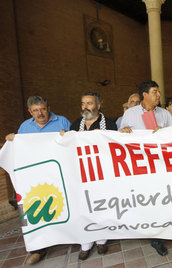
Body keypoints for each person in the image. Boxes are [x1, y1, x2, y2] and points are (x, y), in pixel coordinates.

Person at [5, 96, 70, 265]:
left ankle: (71, 236)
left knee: (64, 206)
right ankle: (36, 249)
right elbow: (20, 150)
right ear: (30, 112)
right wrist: (13, 140)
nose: (40, 113)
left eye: (42, 109)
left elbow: (73, 144)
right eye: (35, 110)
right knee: (30, 210)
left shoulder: (62, 121)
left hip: (58, 173)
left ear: (48, 107)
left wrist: (68, 136)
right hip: (34, 177)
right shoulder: (24, 127)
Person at [119, 80, 172, 256]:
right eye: (155, 92)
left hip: (160, 165)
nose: (158, 95)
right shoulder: (130, 114)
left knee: (159, 200)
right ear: (145, 94)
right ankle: (144, 229)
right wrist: (125, 131)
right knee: (144, 200)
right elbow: (120, 138)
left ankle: (158, 237)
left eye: (159, 92)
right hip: (139, 166)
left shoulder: (164, 114)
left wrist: (163, 134)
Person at [65, 92, 116, 260]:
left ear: (98, 106)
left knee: (101, 206)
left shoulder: (108, 124)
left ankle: (101, 240)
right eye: (83, 103)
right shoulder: (75, 125)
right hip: (80, 175)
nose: (85, 107)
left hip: (102, 174)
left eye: (89, 103)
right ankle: (85, 243)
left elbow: (115, 146)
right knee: (83, 208)